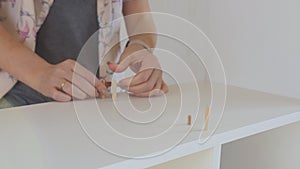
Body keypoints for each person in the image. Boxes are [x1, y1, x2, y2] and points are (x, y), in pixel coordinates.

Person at [0, 0, 168, 109]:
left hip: (92, 103)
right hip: (15, 100)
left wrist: (140, 46)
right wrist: (40, 73)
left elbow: (141, 17)